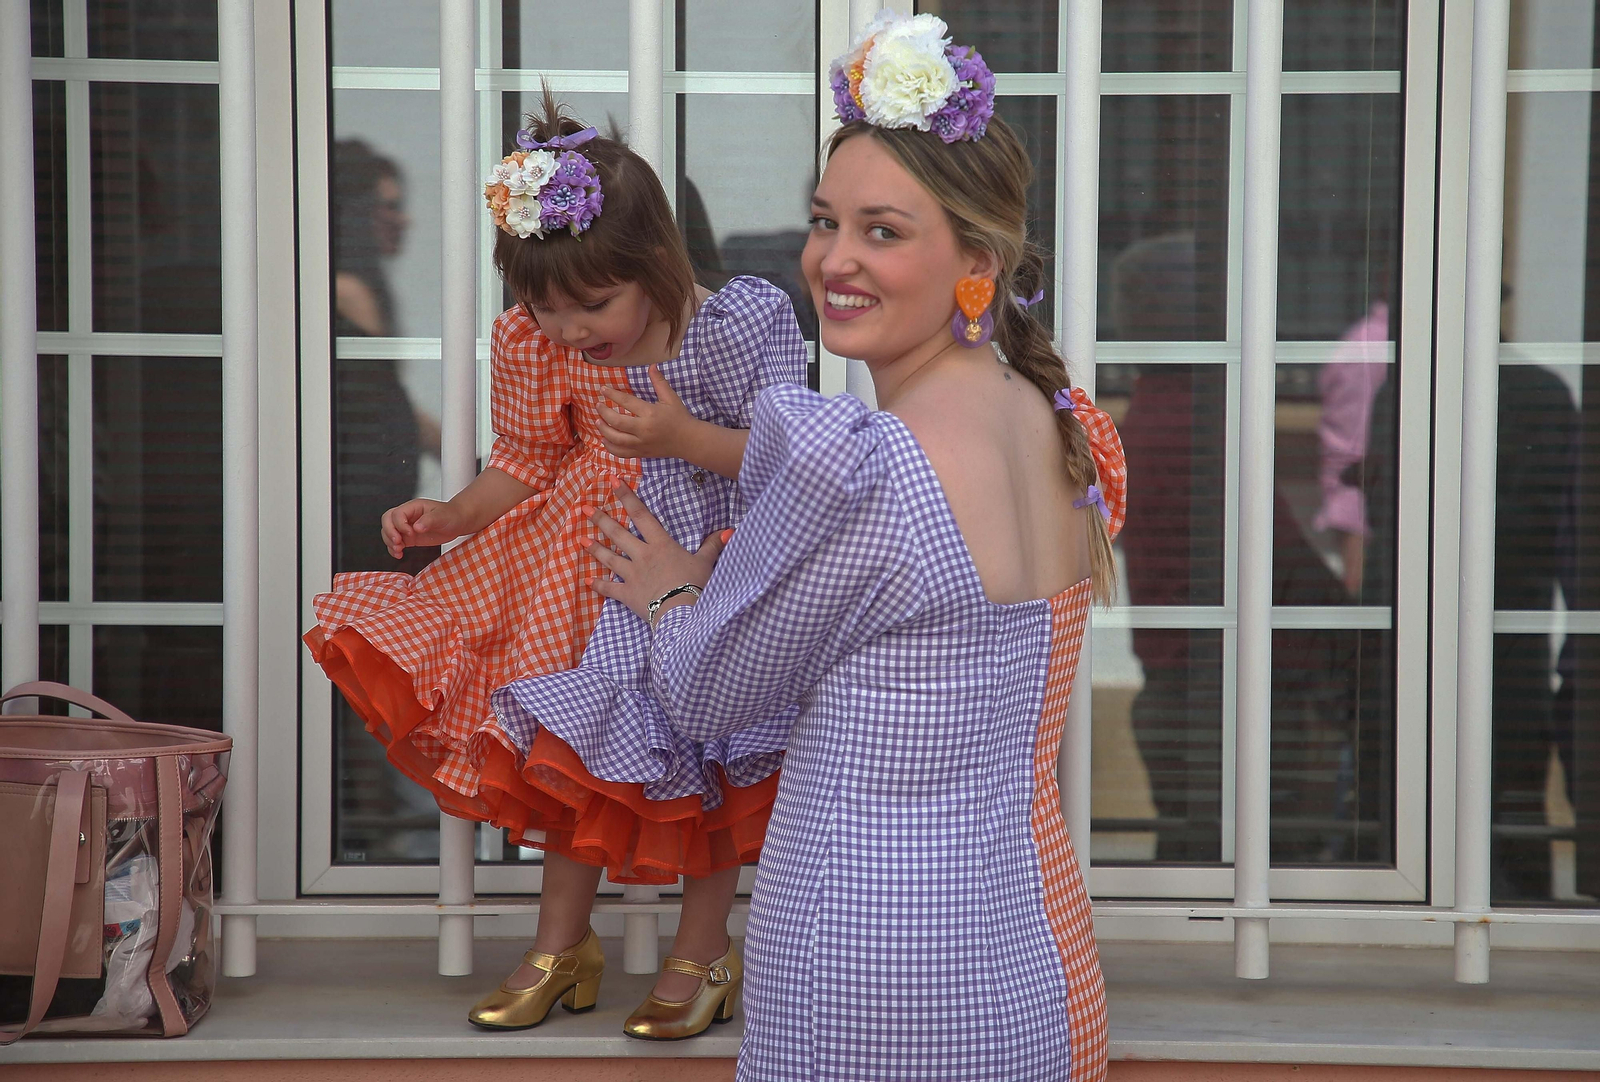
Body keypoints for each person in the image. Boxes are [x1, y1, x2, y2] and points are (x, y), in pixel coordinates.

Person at [570, 13, 1118, 1078]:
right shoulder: (1060, 425)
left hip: (874, 967)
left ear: (977, 259)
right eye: (825, 221)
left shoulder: (867, 467)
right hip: (1036, 964)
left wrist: (673, 592)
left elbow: (707, 696)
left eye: (883, 231)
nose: (833, 259)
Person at [302, 89, 808, 1037]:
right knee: (576, 750)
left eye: (592, 305)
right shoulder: (537, 342)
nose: (570, 330)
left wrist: (680, 438)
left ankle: (703, 950)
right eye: (546, 307)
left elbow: (790, 459)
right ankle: (560, 944)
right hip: (583, 575)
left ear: (655, 261)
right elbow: (530, 458)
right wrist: (454, 513)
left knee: (711, 755)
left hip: (708, 563)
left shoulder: (735, 324)